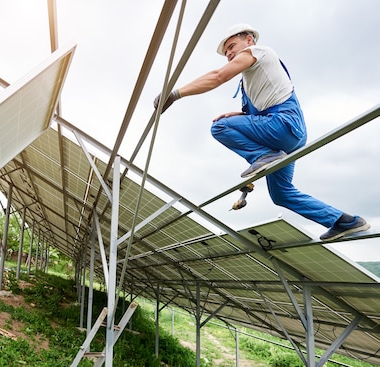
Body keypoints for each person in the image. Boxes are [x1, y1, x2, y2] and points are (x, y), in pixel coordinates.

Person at [153, 23, 370, 241]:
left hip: (283, 125)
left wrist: (175, 94)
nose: (228, 53)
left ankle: (262, 156)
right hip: (287, 136)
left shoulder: (259, 52)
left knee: (219, 127)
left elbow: (218, 76)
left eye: (231, 46)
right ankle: (345, 221)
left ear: (249, 40)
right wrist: (237, 114)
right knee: (281, 194)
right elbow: (264, 104)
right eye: (226, 51)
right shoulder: (251, 80)